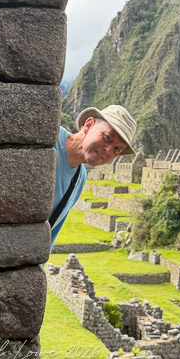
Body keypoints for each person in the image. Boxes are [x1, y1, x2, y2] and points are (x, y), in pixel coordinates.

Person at [50, 104, 136, 251]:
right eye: (107, 137)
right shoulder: (49, 139)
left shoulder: (79, 178)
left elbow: (50, 234)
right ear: (88, 125)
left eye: (117, 149)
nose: (108, 150)